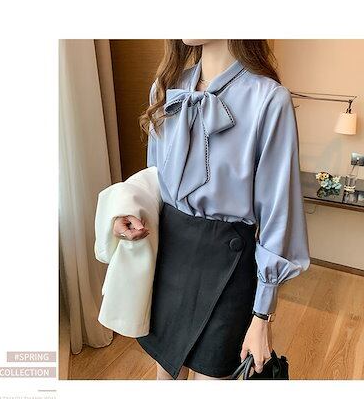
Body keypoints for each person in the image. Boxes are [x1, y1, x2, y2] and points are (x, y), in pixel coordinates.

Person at [112, 40, 310, 380]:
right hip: (170, 260)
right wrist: (130, 211)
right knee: (164, 376)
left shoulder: (268, 99)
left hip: (228, 270)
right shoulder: (166, 88)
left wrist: (262, 317)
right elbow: (154, 179)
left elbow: (279, 215)